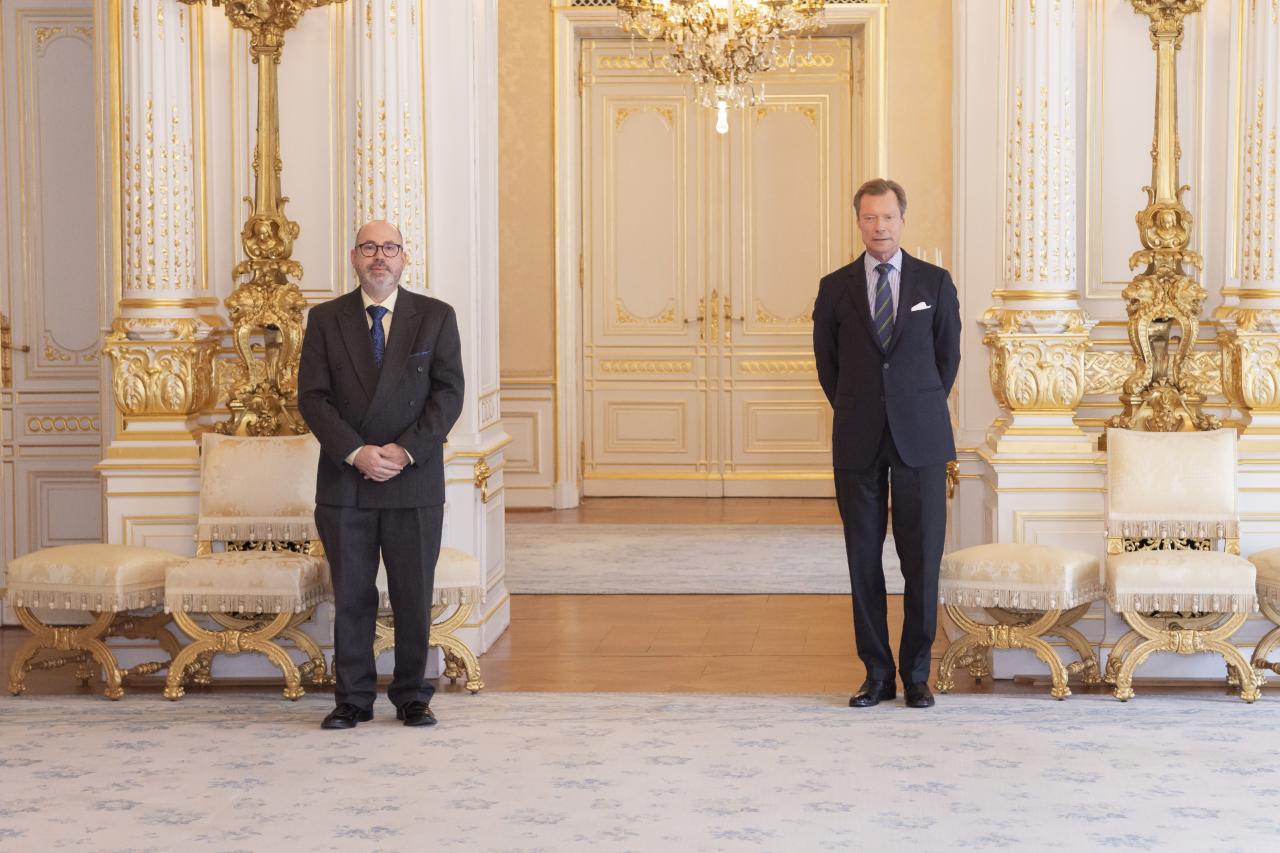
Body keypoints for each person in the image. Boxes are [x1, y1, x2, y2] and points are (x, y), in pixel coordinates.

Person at [298, 220, 464, 729]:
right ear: (354, 256)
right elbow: (313, 398)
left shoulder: (435, 316)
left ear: (403, 258)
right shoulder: (325, 318)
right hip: (347, 482)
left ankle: (413, 695)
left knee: (413, 594)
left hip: (413, 480)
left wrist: (403, 451)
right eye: (370, 248)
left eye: (389, 248)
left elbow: (448, 395)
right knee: (352, 596)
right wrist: (356, 452)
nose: (380, 257)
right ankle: (352, 699)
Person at [812, 179, 961, 709]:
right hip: (857, 439)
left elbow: (947, 361)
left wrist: (911, 405)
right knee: (863, 561)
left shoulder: (935, 283)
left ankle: (917, 674)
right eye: (870, 218)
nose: (880, 227)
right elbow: (827, 366)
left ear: (903, 219)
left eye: (889, 218)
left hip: (920, 439)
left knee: (922, 561)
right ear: (858, 222)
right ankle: (877, 675)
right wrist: (864, 406)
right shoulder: (835, 288)